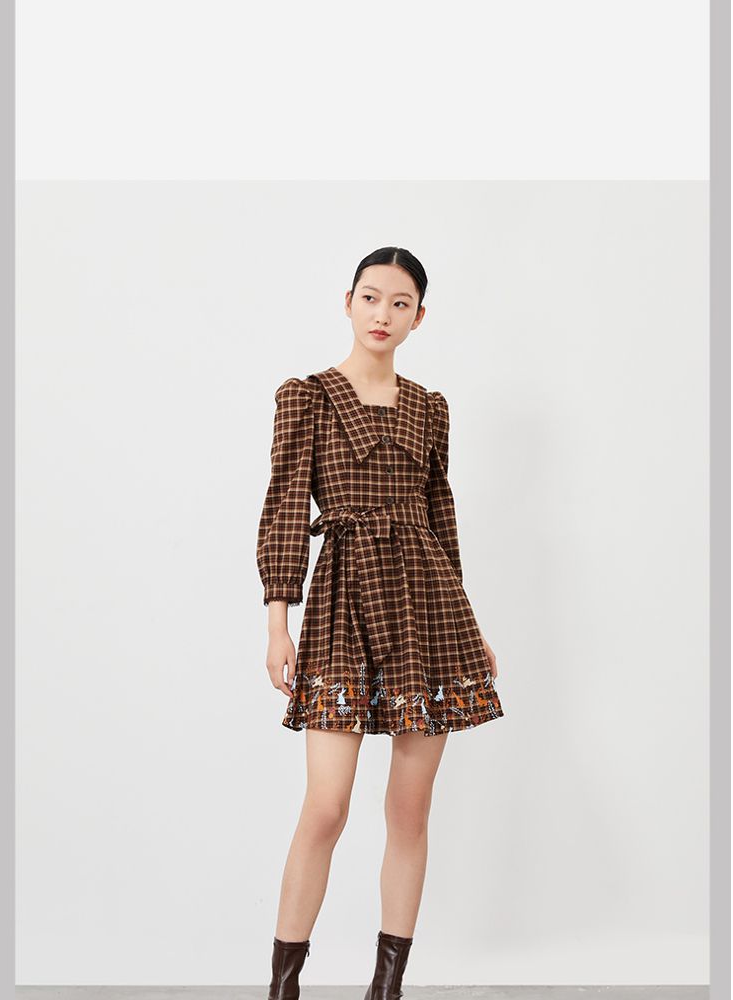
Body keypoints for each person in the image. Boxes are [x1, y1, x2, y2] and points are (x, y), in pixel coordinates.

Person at [256, 246, 505, 999]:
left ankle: (386, 988)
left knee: (409, 809)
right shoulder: (307, 397)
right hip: (341, 606)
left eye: (400, 303)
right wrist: (278, 621)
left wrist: (471, 623)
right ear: (348, 302)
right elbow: (284, 507)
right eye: (371, 297)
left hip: (429, 612)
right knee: (325, 808)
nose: (383, 314)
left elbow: (441, 516)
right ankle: (283, 987)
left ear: (419, 318)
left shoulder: (431, 407)